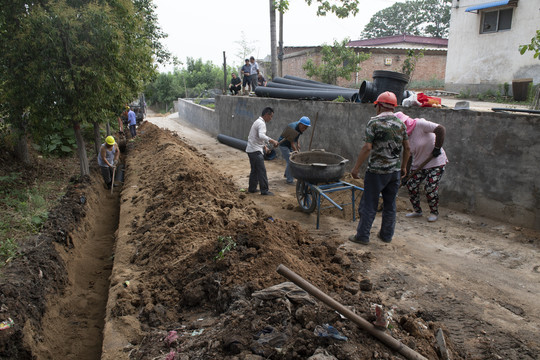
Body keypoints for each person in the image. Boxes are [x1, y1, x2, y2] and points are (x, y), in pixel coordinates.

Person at [349, 91, 410, 245]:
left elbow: (367, 147)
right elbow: (408, 148)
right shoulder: (401, 124)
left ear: (379, 106)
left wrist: (356, 168)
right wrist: (403, 167)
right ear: (393, 108)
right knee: (390, 205)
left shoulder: (374, 123)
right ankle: (386, 235)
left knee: (370, 203)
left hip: (376, 172)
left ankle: (362, 236)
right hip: (394, 173)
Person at [395, 112, 448, 222]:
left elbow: (441, 129)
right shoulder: (404, 136)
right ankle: (417, 211)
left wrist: (437, 147)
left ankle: (434, 212)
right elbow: (408, 155)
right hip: (419, 164)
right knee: (411, 185)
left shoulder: (420, 124)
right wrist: (406, 174)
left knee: (430, 188)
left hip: (435, 161)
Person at [246, 107, 279, 195]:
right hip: (255, 150)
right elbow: (261, 135)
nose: (271, 118)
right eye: (271, 116)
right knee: (261, 170)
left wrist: (265, 147)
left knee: (255, 170)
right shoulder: (261, 123)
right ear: (266, 115)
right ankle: (264, 190)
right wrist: (272, 141)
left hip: (251, 150)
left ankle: (252, 188)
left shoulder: (257, 122)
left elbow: (256, 137)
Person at [278, 116, 311, 184]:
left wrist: (298, 143)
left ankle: (287, 174)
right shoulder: (293, 128)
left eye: (306, 127)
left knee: (290, 159)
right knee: (290, 161)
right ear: (300, 124)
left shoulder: (299, 127)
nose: (305, 129)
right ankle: (289, 180)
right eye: (304, 127)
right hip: (283, 145)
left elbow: (297, 135)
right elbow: (292, 144)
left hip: (289, 144)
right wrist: (297, 153)